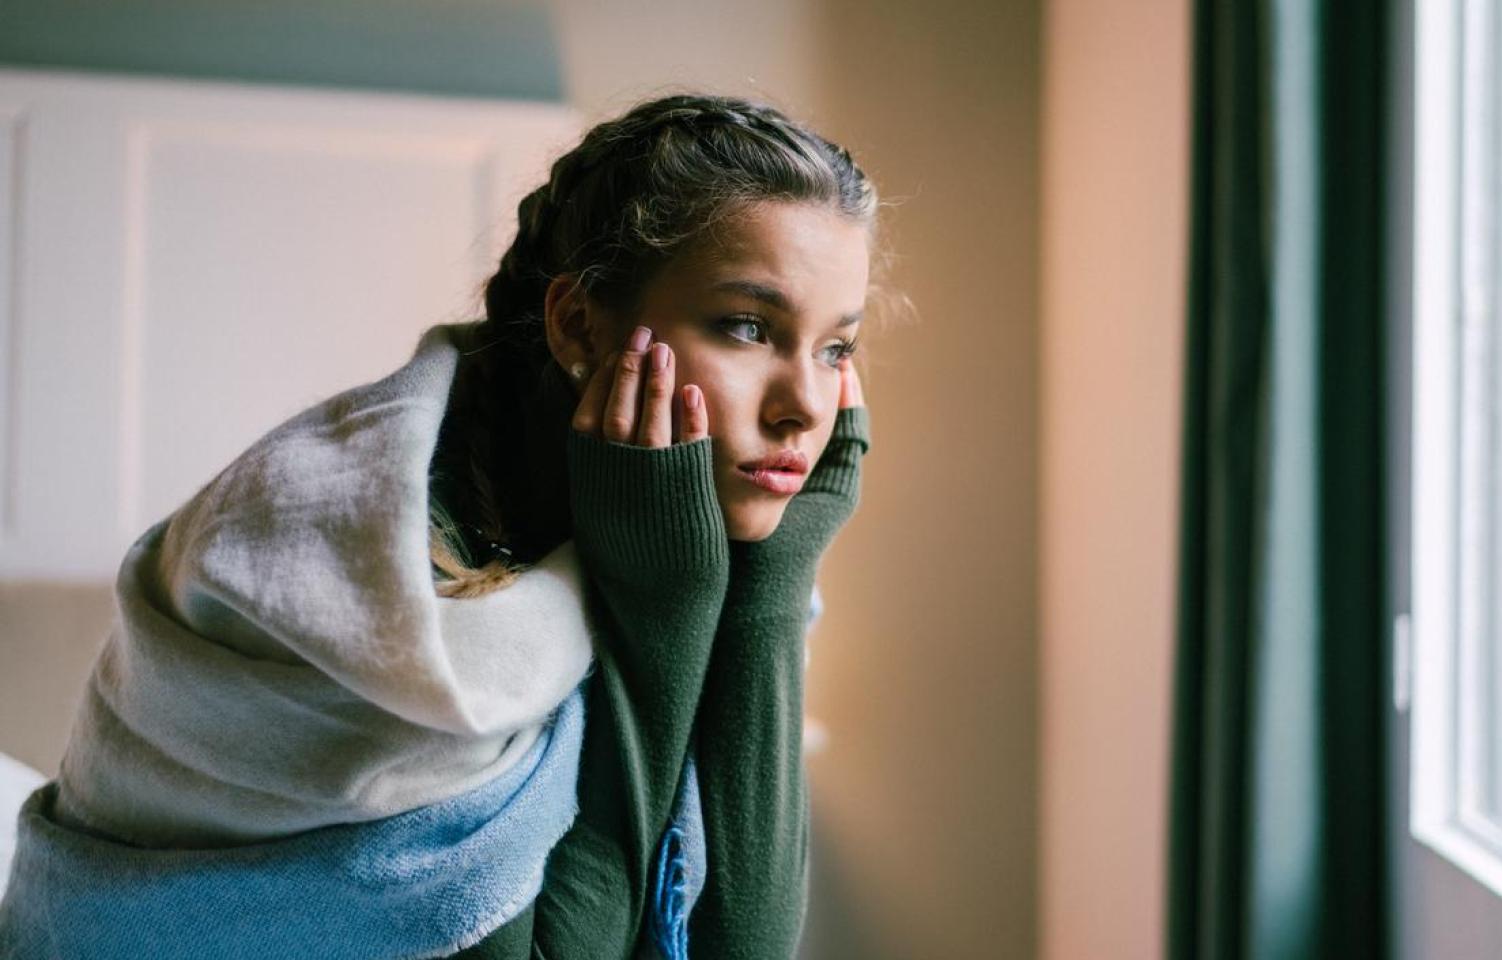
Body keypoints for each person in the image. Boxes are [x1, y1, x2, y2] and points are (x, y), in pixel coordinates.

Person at [0, 92, 881, 960]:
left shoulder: (691, 535)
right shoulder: (355, 558)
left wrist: (771, 580)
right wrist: (663, 616)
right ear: (578, 324)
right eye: (745, 327)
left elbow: (746, 945)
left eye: (835, 347)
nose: (805, 406)